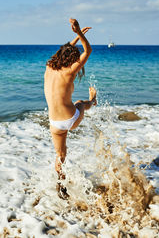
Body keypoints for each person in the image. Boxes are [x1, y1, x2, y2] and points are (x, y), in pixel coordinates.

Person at [44, 18, 97, 199]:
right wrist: (79, 34)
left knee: (60, 154)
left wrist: (74, 38)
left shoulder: (49, 67)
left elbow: (61, 51)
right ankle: (93, 100)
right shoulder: (70, 71)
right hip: (71, 119)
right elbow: (88, 50)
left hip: (54, 123)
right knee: (81, 103)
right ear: (72, 58)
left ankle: (61, 184)